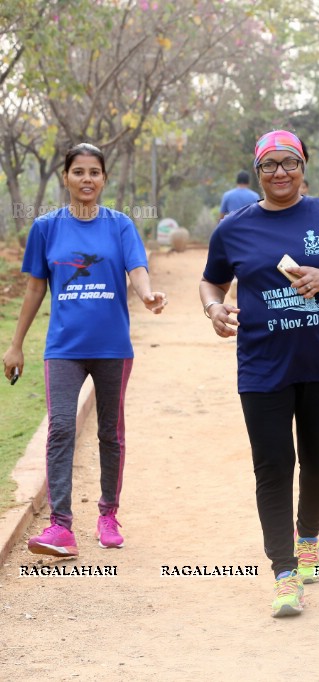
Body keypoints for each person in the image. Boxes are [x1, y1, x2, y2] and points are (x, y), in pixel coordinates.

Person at [200, 130, 319, 618]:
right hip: (261, 368)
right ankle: (283, 571)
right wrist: (214, 309)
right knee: (273, 468)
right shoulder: (234, 228)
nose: (280, 172)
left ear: (304, 166)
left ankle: (309, 536)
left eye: (289, 162)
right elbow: (211, 281)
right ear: (258, 171)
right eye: (270, 164)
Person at [2, 142, 167, 557]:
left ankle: (108, 514)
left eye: (95, 172)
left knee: (111, 432)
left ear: (104, 179)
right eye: (79, 172)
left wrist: (147, 295)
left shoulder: (120, 225)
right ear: (66, 177)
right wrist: (16, 344)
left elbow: (137, 268)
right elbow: (36, 287)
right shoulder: (46, 227)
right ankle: (61, 527)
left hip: (113, 347)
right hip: (63, 348)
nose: (87, 179)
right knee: (60, 427)